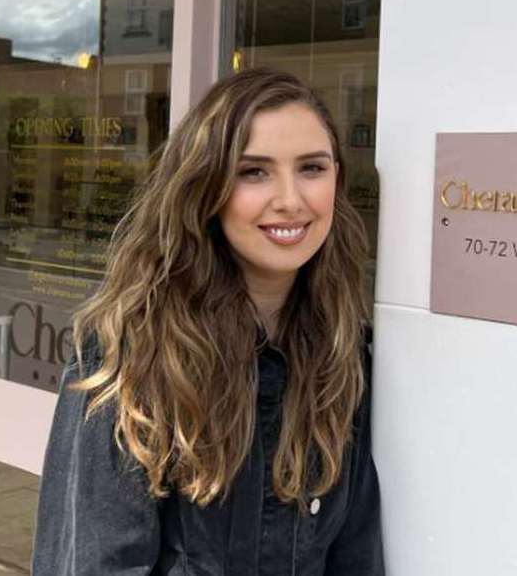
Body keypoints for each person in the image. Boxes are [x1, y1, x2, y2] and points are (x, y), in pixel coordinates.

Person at [31, 68, 384, 575]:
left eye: (311, 168)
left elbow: (356, 555)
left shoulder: (344, 353)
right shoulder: (135, 353)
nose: (290, 199)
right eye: (254, 172)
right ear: (206, 188)